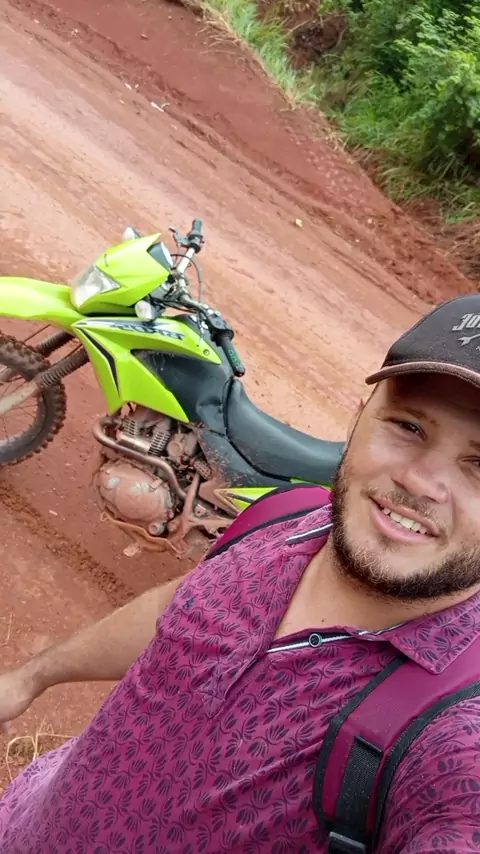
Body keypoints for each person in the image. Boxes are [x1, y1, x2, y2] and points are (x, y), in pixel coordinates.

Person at [1, 294, 480, 853]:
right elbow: (177, 613)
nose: (420, 481)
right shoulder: (287, 518)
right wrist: (30, 678)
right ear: (359, 415)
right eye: (408, 426)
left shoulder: (455, 737)